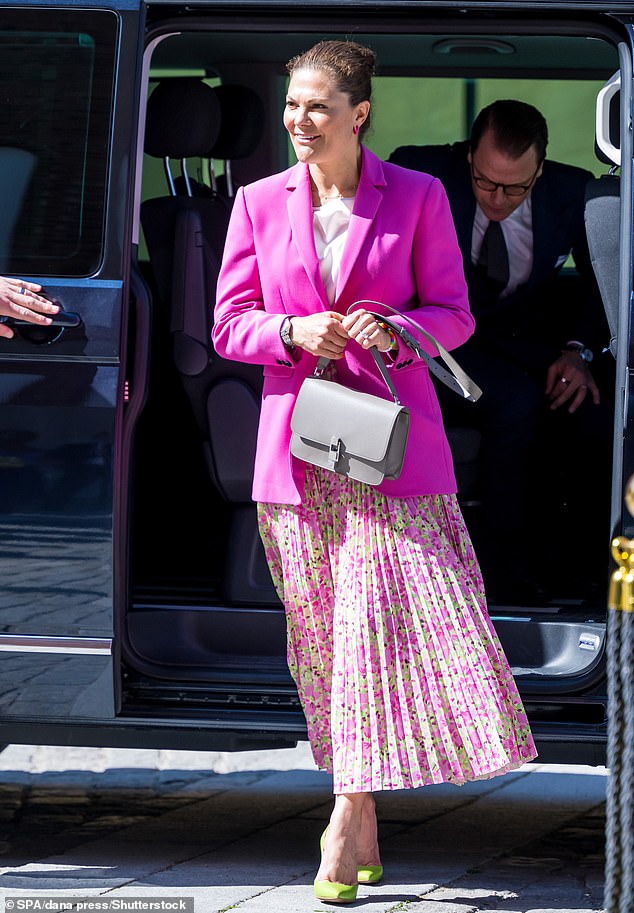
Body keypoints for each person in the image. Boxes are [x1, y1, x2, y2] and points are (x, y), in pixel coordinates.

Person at [212, 41, 537, 904]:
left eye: (317, 107)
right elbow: (229, 325)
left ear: (359, 115)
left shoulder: (420, 196)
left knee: (371, 630)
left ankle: (347, 812)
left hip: (391, 451)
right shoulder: (255, 203)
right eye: (292, 105)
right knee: (322, 644)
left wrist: (392, 330)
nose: (298, 121)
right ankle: (362, 817)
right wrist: (290, 333)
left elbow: (455, 315)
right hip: (295, 453)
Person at [389, 101, 613, 602]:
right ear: (469, 156)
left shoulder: (571, 192)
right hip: (436, 342)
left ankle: (582, 568)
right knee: (516, 403)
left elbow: (602, 282)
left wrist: (578, 352)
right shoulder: (422, 172)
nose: (497, 198)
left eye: (516, 187)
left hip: (523, 341)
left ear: (542, 168)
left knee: (589, 407)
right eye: (486, 182)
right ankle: (502, 573)